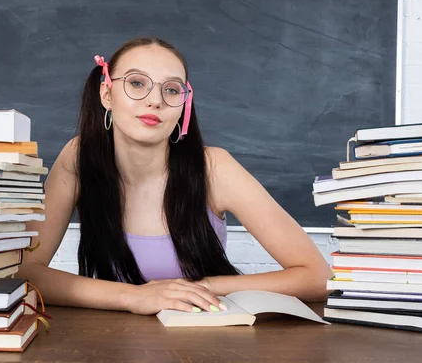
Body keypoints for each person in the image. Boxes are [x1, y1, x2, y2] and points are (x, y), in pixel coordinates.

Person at [17, 37, 332, 315]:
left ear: (184, 106)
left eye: (171, 89)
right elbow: (25, 270)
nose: (155, 100)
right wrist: (135, 297)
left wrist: (192, 288)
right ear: (106, 95)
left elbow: (317, 277)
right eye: (137, 83)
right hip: (111, 340)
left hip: (208, 333)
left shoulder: (214, 167)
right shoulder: (79, 157)